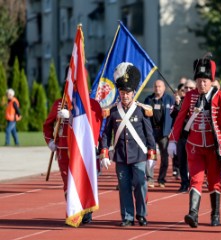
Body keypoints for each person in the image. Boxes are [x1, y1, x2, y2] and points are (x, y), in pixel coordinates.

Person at [168, 56, 221, 228]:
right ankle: (193, 213)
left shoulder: (220, 97)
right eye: (199, 81)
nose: (201, 84)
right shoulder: (190, 96)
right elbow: (180, 118)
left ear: (211, 81)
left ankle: (215, 214)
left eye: (205, 81)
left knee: (215, 180)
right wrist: (173, 139)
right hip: (194, 146)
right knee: (195, 179)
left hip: (214, 148)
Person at [100, 62, 156, 227]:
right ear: (120, 92)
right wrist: (104, 152)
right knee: (124, 187)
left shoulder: (141, 110)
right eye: (122, 92)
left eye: (128, 93)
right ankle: (127, 217)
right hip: (121, 155)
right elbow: (106, 134)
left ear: (133, 93)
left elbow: (149, 133)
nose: (125, 96)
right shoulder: (113, 112)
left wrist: (152, 153)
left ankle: (142, 214)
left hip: (138, 154)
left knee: (140, 184)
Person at [43, 96, 102, 224]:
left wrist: (70, 115)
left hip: (83, 150)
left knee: (84, 181)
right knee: (68, 183)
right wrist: (50, 141)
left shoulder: (91, 104)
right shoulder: (59, 103)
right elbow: (48, 124)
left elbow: (96, 125)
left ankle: (86, 213)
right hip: (64, 150)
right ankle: (74, 213)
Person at [144, 79, 175, 188]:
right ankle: (150, 178)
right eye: (156, 86)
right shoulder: (148, 100)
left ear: (164, 88)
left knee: (165, 157)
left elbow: (175, 113)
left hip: (164, 133)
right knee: (150, 156)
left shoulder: (169, 99)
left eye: (160, 86)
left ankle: (161, 179)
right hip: (151, 132)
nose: (157, 88)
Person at [171, 79, 196, 192]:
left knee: (194, 162)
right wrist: (177, 104)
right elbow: (174, 117)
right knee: (182, 162)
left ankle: (193, 183)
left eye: (191, 88)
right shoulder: (179, 101)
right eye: (186, 88)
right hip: (182, 137)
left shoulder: (198, 101)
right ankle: (184, 183)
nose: (188, 90)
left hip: (195, 137)